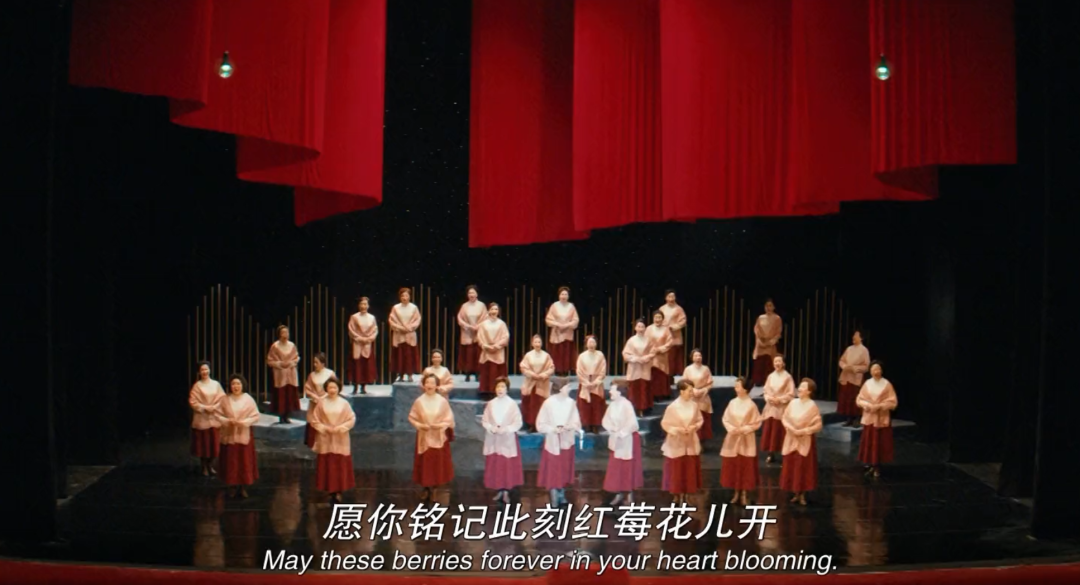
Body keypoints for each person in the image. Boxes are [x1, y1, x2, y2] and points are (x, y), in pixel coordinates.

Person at [409, 373, 456, 501]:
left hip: (438, 435)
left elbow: (449, 418)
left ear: (437, 386)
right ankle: (426, 488)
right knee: (425, 463)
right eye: (427, 383)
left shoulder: (442, 401)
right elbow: (412, 417)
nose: (429, 385)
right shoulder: (419, 401)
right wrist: (420, 425)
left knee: (437, 463)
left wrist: (440, 425)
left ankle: (435, 488)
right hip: (424, 436)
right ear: (423, 385)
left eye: (432, 383)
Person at [309, 377, 356, 503]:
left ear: (339, 388)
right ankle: (330, 490)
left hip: (340, 437)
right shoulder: (321, 403)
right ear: (326, 389)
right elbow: (315, 420)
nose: (332, 390)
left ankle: (339, 490)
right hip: (325, 437)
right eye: (330, 387)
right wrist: (324, 428)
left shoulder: (344, 403)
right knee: (327, 463)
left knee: (339, 463)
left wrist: (341, 428)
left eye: (334, 387)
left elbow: (351, 419)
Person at [536, 379, 581, 507]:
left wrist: (568, 427)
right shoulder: (548, 403)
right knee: (554, 469)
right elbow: (540, 424)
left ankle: (561, 493)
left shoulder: (571, 403)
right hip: (553, 441)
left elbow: (576, 422)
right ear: (560, 388)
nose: (569, 389)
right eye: (567, 386)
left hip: (566, 441)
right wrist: (553, 429)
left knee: (564, 469)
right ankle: (554, 494)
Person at [780, 378, 823, 506]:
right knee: (792, 465)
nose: (799, 389)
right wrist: (791, 428)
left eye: (803, 387)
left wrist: (804, 431)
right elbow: (784, 417)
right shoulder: (793, 403)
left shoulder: (812, 406)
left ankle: (802, 493)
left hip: (804, 439)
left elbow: (818, 425)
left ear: (809, 391)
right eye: (800, 386)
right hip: (791, 437)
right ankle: (795, 492)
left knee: (803, 467)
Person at [217, 374, 260, 498]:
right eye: (233, 384)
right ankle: (232, 486)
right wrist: (227, 421)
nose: (236, 386)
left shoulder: (248, 399)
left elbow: (256, 416)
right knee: (230, 461)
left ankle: (242, 487)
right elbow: (217, 415)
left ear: (242, 385)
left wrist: (244, 422)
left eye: (238, 384)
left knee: (243, 461)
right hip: (229, 435)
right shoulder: (225, 400)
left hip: (243, 434)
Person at [482, 377, 524, 505]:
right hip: (494, 439)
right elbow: (485, 420)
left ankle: (506, 491)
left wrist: (507, 429)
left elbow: (518, 422)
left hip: (507, 439)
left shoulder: (512, 404)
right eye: (498, 387)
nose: (500, 389)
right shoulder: (491, 404)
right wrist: (491, 428)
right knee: (496, 465)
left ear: (507, 389)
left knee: (506, 466)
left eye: (503, 387)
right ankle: (499, 489)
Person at [720, 376, 761, 506]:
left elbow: (757, 422)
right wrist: (731, 429)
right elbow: (725, 418)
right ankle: (736, 492)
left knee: (745, 466)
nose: (735, 387)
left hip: (746, 438)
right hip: (733, 437)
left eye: (738, 385)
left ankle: (744, 493)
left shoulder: (751, 405)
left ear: (745, 389)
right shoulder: (732, 402)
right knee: (735, 466)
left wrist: (744, 429)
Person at [661, 380, 703, 504]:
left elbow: (699, 420)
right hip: (676, 442)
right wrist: (677, 430)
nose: (692, 393)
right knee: (677, 470)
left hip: (690, 441)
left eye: (692, 390)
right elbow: (665, 423)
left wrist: (694, 427)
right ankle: (676, 494)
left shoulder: (694, 406)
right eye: (689, 390)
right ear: (681, 391)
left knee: (688, 469)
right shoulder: (672, 407)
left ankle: (687, 494)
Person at [601, 384, 643, 506]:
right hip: (616, 438)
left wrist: (622, 433)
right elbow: (606, 420)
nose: (610, 392)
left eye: (613, 390)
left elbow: (633, 424)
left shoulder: (627, 405)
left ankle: (628, 494)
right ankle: (618, 492)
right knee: (616, 468)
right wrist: (612, 429)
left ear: (619, 392)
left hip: (627, 439)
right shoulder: (612, 405)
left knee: (627, 467)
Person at [857, 361, 898, 478]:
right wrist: (867, 405)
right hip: (870, 416)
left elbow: (893, 401)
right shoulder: (867, 384)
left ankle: (877, 465)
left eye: (878, 369)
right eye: (873, 369)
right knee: (869, 441)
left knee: (880, 442)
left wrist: (880, 406)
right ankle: (870, 462)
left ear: (881, 370)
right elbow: (859, 399)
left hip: (881, 417)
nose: (876, 371)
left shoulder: (887, 384)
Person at [189, 361, 225, 477]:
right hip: (202, 419)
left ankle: (210, 465)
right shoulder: (197, 386)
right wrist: (205, 408)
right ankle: (204, 466)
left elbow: (222, 398)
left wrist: (215, 407)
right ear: (199, 372)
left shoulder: (216, 384)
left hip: (214, 417)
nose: (205, 371)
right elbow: (193, 401)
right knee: (204, 446)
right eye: (202, 370)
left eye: (206, 369)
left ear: (209, 370)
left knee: (214, 445)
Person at [761, 355, 794, 464]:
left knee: (780, 431)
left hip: (781, 408)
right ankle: (770, 453)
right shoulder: (770, 376)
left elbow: (791, 394)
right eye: (775, 361)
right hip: (771, 407)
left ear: (783, 363)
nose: (777, 363)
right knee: (770, 430)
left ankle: (784, 453)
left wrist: (779, 400)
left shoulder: (788, 377)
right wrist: (769, 398)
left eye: (779, 361)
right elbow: (765, 391)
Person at [519, 334, 555, 432]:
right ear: (532, 344)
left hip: (542, 384)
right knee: (530, 405)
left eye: (539, 342)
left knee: (539, 405)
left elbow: (551, 368)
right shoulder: (528, 355)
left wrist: (543, 375)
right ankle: (531, 424)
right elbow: (523, 367)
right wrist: (532, 374)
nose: (537, 344)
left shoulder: (546, 356)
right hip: (530, 384)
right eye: (535, 342)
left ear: (541, 343)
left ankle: (540, 424)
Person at [267, 325, 300, 424]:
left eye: (287, 332)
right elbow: (270, 360)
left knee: (289, 395)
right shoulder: (275, 346)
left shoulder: (292, 345)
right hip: (280, 375)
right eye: (283, 332)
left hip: (290, 373)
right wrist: (280, 364)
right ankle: (281, 416)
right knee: (281, 395)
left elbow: (296, 357)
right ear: (279, 334)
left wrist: (291, 363)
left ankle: (287, 416)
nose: (286, 334)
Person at [622, 318, 656, 416]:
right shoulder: (631, 340)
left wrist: (646, 358)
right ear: (635, 328)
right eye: (639, 326)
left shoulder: (649, 340)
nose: (640, 329)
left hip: (645, 366)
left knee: (644, 388)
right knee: (634, 389)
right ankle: (634, 409)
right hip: (634, 366)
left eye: (642, 327)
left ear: (645, 328)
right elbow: (625, 354)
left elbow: (653, 351)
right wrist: (635, 359)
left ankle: (644, 408)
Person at [303, 353, 337, 449]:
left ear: (323, 363)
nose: (314, 364)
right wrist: (315, 397)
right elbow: (307, 389)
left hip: (327, 402)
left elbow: (335, 386)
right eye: (314, 362)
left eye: (316, 362)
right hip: (315, 403)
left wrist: (325, 396)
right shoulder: (312, 375)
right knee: (314, 421)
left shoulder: (330, 374)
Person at [477, 303, 511, 398]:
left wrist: (497, 346)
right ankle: (486, 392)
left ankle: (497, 392)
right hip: (487, 351)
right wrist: (486, 346)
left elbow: (505, 337)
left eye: (496, 309)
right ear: (488, 311)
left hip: (498, 351)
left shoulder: (502, 324)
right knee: (487, 372)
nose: (494, 311)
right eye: (492, 309)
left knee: (497, 373)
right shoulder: (483, 324)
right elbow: (480, 337)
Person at [838, 331, 871, 427]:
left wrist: (856, 368)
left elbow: (867, 366)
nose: (853, 337)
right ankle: (849, 418)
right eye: (853, 335)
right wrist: (844, 366)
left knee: (855, 398)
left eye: (856, 336)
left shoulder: (864, 350)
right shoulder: (849, 349)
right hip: (846, 376)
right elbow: (841, 360)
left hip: (856, 377)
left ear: (861, 338)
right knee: (846, 397)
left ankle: (857, 418)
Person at [576, 335, 607, 434]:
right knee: (585, 405)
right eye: (589, 342)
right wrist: (586, 382)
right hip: (585, 382)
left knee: (596, 405)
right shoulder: (582, 356)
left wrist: (595, 382)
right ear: (586, 344)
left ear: (596, 344)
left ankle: (596, 425)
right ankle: (586, 424)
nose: (591, 344)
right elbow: (579, 371)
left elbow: (603, 370)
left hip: (596, 383)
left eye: (593, 342)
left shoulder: (600, 355)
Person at [545, 287, 580, 375]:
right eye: (562, 294)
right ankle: (556, 370)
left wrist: (567, 325)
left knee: (566, 352)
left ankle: (566, 370)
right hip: (556, 332)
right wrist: (557, 324)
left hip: (567, 333)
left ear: (568, 296)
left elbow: (575, 320)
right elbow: (548, 319)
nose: (564, 296)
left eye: (565, 294)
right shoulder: (554, 306)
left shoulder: (571, 306)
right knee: (556, 352)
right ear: (559, 295)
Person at [389, 288, 421, 382]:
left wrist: (409, 328)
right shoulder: (395, 308)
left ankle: (410, 375)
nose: (404, 297)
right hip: (399, 335)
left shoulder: (414, 308)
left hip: (410, 334)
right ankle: (400, 375)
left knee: (410, 355)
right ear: (400, 297)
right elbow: (391, 320)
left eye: (406, 295)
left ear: (409, 296)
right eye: (402, 296)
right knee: (400, 355)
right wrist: (400, 328)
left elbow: (417, 319)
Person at [681, 348, 714, 440]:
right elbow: (684, 383)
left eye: (699, 355)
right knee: (692, 418)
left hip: (703, 396)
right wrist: (693, 390)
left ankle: (702, 440)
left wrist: (704, 390)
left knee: (703, 418)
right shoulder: (688, 369)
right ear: (692, 357)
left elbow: (710, 383)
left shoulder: (706, 369)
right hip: (691, 395)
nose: (698, 357)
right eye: (696, 355)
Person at [347, 297, 378, 394]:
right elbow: (351, 329)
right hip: (357, 343)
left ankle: (363, 387)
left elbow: (375, 329)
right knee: (356, 365)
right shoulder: (354, 317)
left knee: (365, 366)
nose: (363, 306)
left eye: (365, 304)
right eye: (362, 304)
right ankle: (355, 387)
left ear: (368, 306)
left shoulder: (372, 317)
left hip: (367, 344)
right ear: (358, 305)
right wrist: (359, 338)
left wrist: (369, 338)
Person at [456, 285, 486, 382]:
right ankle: (467, 374)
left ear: (477, 294)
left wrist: (478, 326)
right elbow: (460, 318)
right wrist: (468, 326)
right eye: (469, 293)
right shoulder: (464, 306)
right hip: (467, 333)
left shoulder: (481, 305)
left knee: (477, 354)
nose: (471, 294)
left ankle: (478, 374)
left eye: (473, 292)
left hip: (478, 332)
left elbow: (485, 318)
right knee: (468, 355)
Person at [751, 299, 783, 387]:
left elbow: (778, 332)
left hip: (770, 345)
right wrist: (760, 341)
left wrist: (771, 342)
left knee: (769, 364)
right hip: (761, 345)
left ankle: (769, 384)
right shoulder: (760, 317)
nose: (768, 308)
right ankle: (758, 383)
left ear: (774, 307)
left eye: (770, 305)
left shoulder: (777, 318)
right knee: (759, 364)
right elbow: (756, 330)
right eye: (766, 306)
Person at [646, 311, 675, 401]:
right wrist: (652, 350)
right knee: (652, 374)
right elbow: (645, 341)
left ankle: (661, 394)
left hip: (662, 356)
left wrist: (660, 349)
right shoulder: (649, 329)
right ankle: (652, 394)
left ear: (662, 319)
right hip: (651, 355)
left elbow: (670, 342)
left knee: (661, 375)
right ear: (653, 318)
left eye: (659, 317)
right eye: (656, 317)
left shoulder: (666, 330)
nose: (657, 319)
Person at [659, 290, 688, 375]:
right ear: (666, 298)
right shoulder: (662, 308)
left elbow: (683, 321)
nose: (671, 299)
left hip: (675, 336)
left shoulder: (679, 309)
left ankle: (673, 374)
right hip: (664, 335)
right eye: (669, 296)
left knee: (674, 357)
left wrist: (674, 327)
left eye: (673, 296)